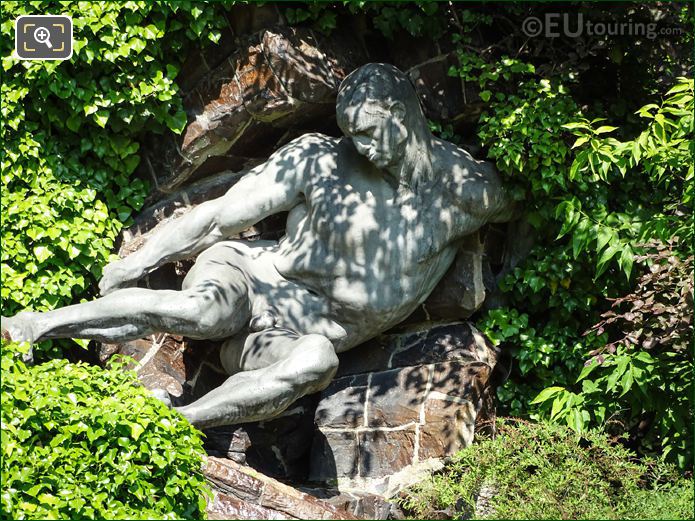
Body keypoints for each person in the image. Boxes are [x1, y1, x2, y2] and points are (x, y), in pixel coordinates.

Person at [1, 63, 514, 428]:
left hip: (284, 339)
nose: (360, 146)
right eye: (351, 134)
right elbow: (219, 219)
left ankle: (181, 424)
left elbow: (536, 203)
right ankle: (34, 325)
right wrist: (138, 261)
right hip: (251, 277)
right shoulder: (321, 160)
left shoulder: (467, 192)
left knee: (316, 362)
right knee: (200, 313)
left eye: (369, 132)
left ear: (401, 115)